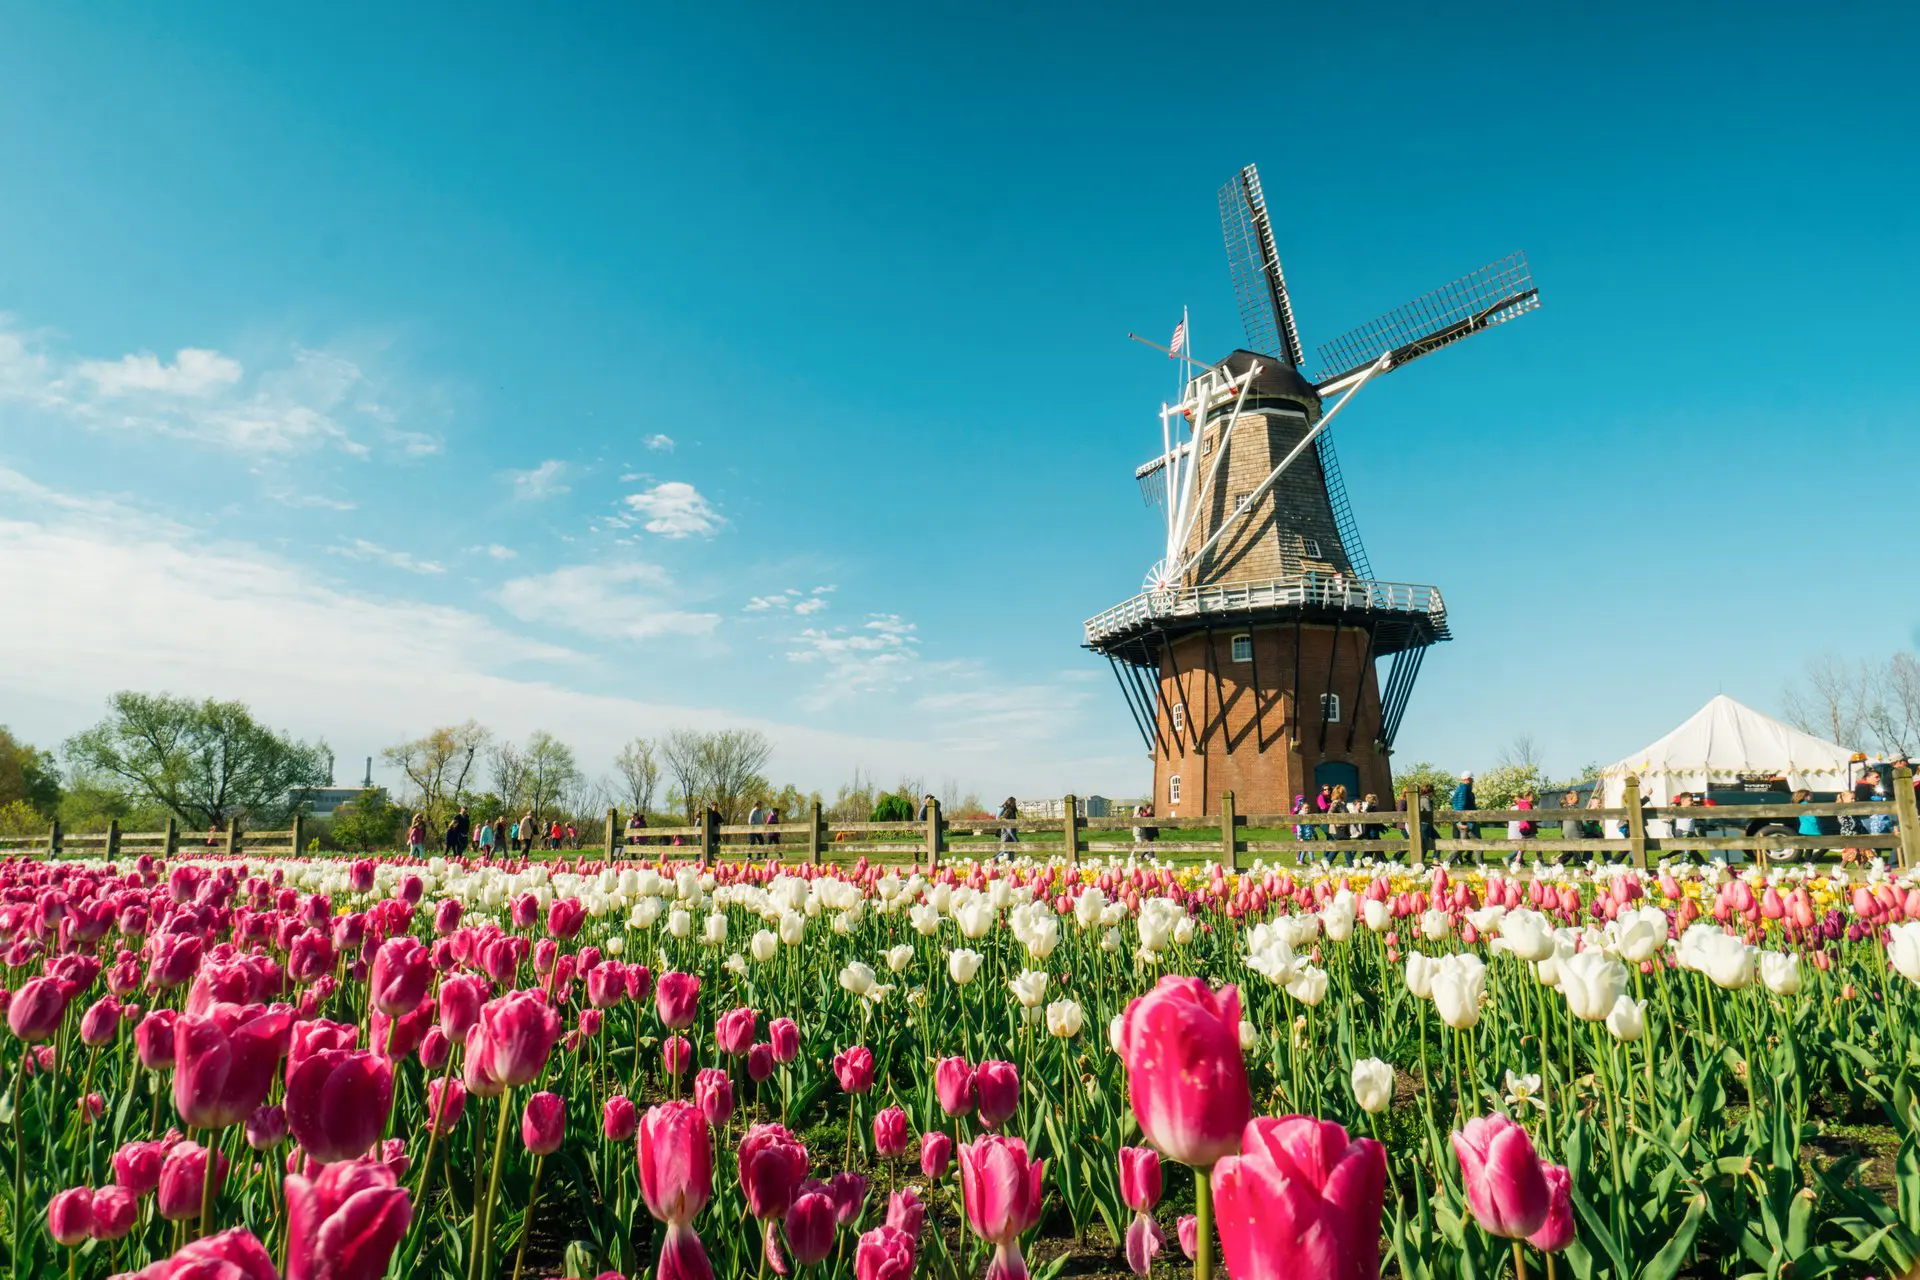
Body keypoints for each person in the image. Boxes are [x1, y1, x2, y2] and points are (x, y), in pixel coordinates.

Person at [1451, 773, 1477, 849]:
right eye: (1472, 779)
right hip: (1464, 821)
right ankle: (1448, 860)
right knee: (1464, 843)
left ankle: (1468, 858)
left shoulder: (1465, 789)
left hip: (1466, 820)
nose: (1473, 781)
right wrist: (1460, 822)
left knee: (1467, 842)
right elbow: (1459, 806)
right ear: (1468, 779)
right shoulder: (1464, 790)